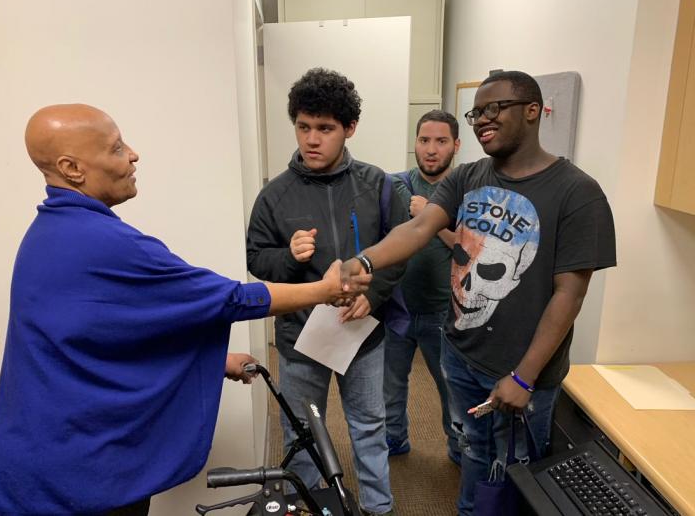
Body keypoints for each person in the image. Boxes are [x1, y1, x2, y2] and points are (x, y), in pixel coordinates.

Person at [0, 104, 370, 516]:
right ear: (71, 168)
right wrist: (324, 289)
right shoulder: (108, 244)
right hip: (73, 476)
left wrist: (214, 359)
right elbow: (230, 298)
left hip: (35, 460)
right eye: (116, 148)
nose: (133, 154)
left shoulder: (45, 234)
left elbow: (105, 338)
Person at [340, 70, 616, 515]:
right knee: (472, 455)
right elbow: (419, 226)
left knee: (517, 475)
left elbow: (570, 295)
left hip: (524, 370)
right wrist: (367, 260)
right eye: (477, 112)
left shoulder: (577, 193)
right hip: (462, 354)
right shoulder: (467, 177)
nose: (482, 120)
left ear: (532, 111)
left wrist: (524, 376)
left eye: (495, 109)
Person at [246, 68, 408, 516]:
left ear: (349, 128)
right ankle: (306, 506)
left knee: (369, 426)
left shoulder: (378, 185)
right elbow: (257, 259)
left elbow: (401, 251)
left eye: (325, 128)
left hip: (362, 332)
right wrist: (290, 258)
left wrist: (373, 298)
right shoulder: (274, 195)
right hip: (302, 338)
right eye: (303, 127)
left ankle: (379, 509)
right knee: (302, 430)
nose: (311, 139)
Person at [383, 110, 461, 463]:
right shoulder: (395, 184)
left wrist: (429, 214)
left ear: (456, 145)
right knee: (390, 387)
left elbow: (471, 252)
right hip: (397, 308)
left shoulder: (466, 189)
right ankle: (393, 442)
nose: (431, 149)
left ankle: (459, 452)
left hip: (443, 313)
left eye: (441, 141)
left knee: (451, 390)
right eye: (424, 140)